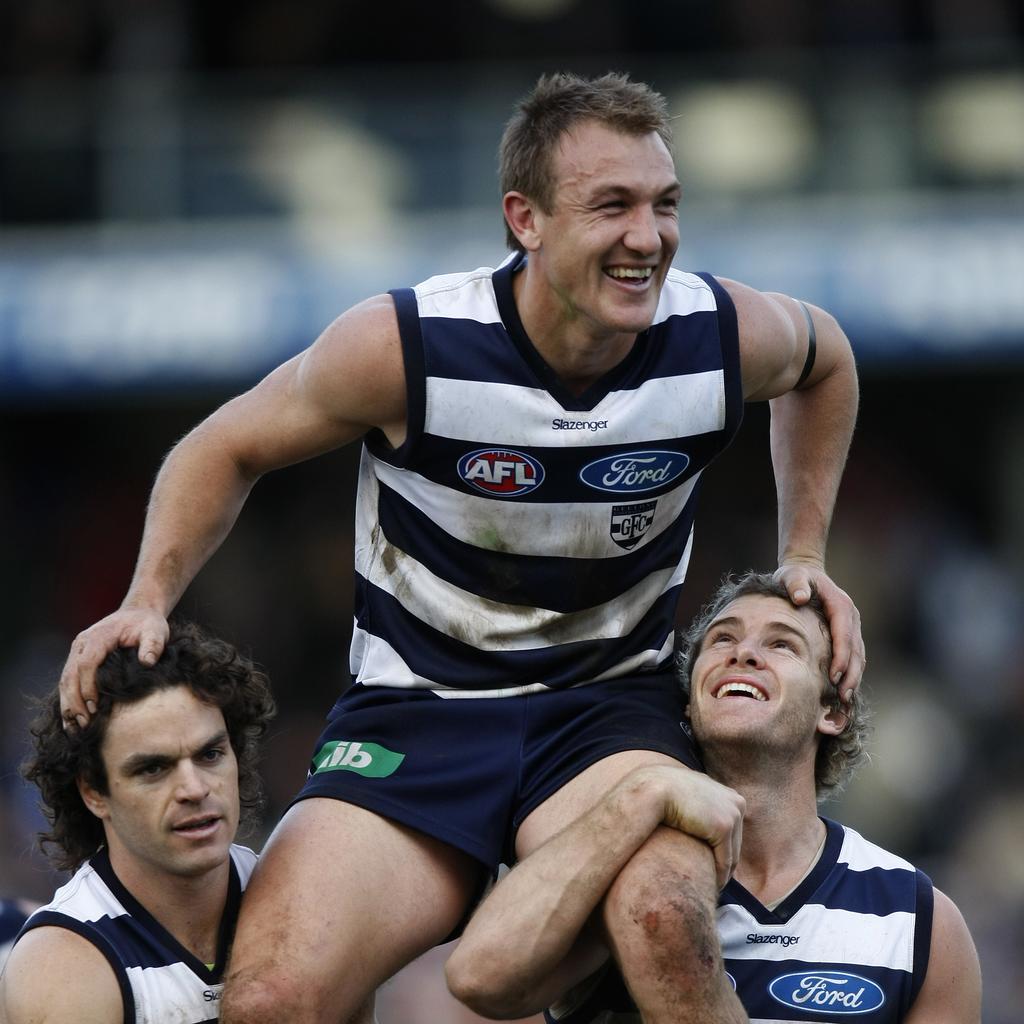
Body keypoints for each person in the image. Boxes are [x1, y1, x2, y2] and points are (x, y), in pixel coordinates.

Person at [57, 72, 865, 1023]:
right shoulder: (410, 346)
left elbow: (829, 362)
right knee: (271, 996)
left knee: (662, 920)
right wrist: (147, 596)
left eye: (665, 205)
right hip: (415, 715)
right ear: (524, 219)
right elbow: (222, 445)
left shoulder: (719, 336)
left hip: (605, 714)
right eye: (612, 206)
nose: (648, 238)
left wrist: (804, 553)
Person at [446, 573, 982, 1023]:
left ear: (833, 712)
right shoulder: (620, 862)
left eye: (781, 644)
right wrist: (641, 793)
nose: (743, 653)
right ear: (690, 697)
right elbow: (478, 974)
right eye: (722, 640)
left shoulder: (916, 918)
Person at [0, 621, 276, 1024]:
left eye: (210, 754)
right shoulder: (63, 965)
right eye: (153, 768)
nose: (194, 788)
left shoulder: (296, 895)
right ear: (93, 792)